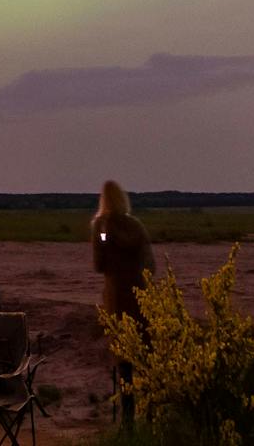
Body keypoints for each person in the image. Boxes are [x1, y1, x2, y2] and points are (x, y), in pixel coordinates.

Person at [90, 179, 155, 426]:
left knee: (124, 364)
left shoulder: (101, 227)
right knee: (146, 355)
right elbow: (150, 263)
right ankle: (150, 414)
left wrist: (105, 238)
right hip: (140, 296)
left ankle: (128, 420)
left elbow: (99, 263)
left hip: (117, 297)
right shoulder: (136, 226)